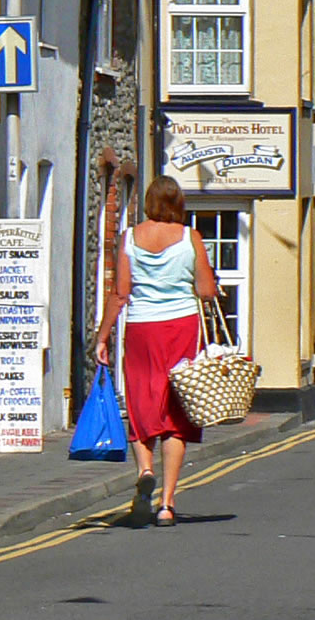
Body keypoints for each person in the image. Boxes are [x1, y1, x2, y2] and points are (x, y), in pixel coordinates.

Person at [94, 176, 220, 526]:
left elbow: (120, 293)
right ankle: (166, 503)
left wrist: (102, 337)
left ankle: (145, 469)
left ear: (149, 202)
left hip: (142, 329)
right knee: (175, 414)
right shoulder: (189, 237)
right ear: (178, 203)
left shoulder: (130, 238)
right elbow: (206, 291)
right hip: (181, 328)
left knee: (140, 403)